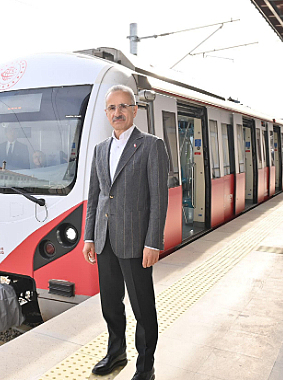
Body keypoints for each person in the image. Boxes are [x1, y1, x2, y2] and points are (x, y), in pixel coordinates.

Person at [83, 84, 169, 380]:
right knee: (110, 304)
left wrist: (153, 242)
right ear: (106, 113)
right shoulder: (99, 150)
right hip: (105, 240)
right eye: (111, 108)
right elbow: (94, 196)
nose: (117, 112)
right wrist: (89, 237)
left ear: (134, 110)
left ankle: (145, 367)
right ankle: (116, 352)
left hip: (136, 242)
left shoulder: (151, 146)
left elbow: (159, 198)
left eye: (123, 106)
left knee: (143, 308)